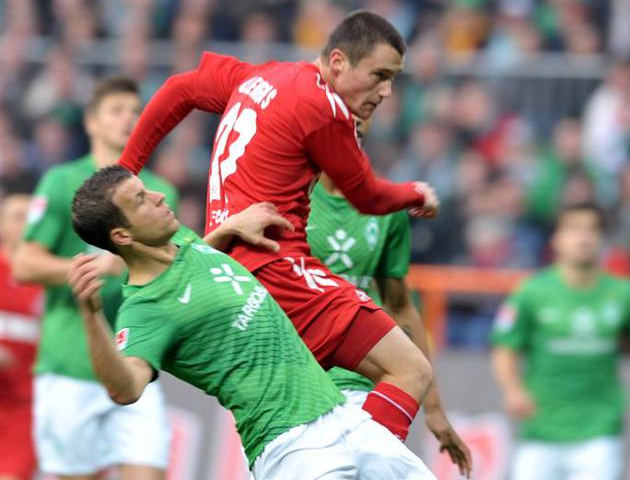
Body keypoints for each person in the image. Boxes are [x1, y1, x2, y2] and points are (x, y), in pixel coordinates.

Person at [118, 10, 439, 441]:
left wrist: (126, 168)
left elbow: (180, 88)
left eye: (393, 79)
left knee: (296, 422)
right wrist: (417, 193)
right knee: (410, 369)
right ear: (338, 62)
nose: (386, 92)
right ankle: (364, 464)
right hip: (279, 274)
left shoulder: (260, 77)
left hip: (226, 275)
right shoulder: (323, 108)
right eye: (379, 75)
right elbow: (368, 196)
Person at [68, 166, 435, 479]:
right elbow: (125, 389)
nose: (159, 195)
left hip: (341, 413)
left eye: (146, 188)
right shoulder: (145, 308)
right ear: (122, 235)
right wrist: (92, 315)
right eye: (140, 199)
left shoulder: (179, 239)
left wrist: (230, 227)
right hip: (290, 445)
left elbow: (194, 271)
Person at [12, 78, 175, 480]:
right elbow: (25, 265)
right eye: (116, 111)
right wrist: (88, 269)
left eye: (135, 112)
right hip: (70, 368)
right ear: (91, 122)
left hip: (137, 363)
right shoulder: (62, 181)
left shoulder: (159, 192)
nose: (128, 119)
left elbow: (172, 271)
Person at [308, 119, 472, 477]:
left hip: (360, 385)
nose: (350, 141)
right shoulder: (287, 198)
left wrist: (434, 408)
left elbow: (399, 306)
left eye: (358, 133)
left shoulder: (385, 209)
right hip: (298, 386)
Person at [491, 202, 630, 480]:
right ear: (557, 239)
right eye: (574, 229)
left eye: (591, 229)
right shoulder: (531, 292)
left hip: (599, 433)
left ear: (602, 238)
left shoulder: (622, 293)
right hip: (541, 430)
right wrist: (512, 390)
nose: (583, 238)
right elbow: (505, 348)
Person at [0, 190, 43, 480]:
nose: (25, 225)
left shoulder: (50, 279)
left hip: (23, 409)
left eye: (32, 218)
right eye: (17, 217)